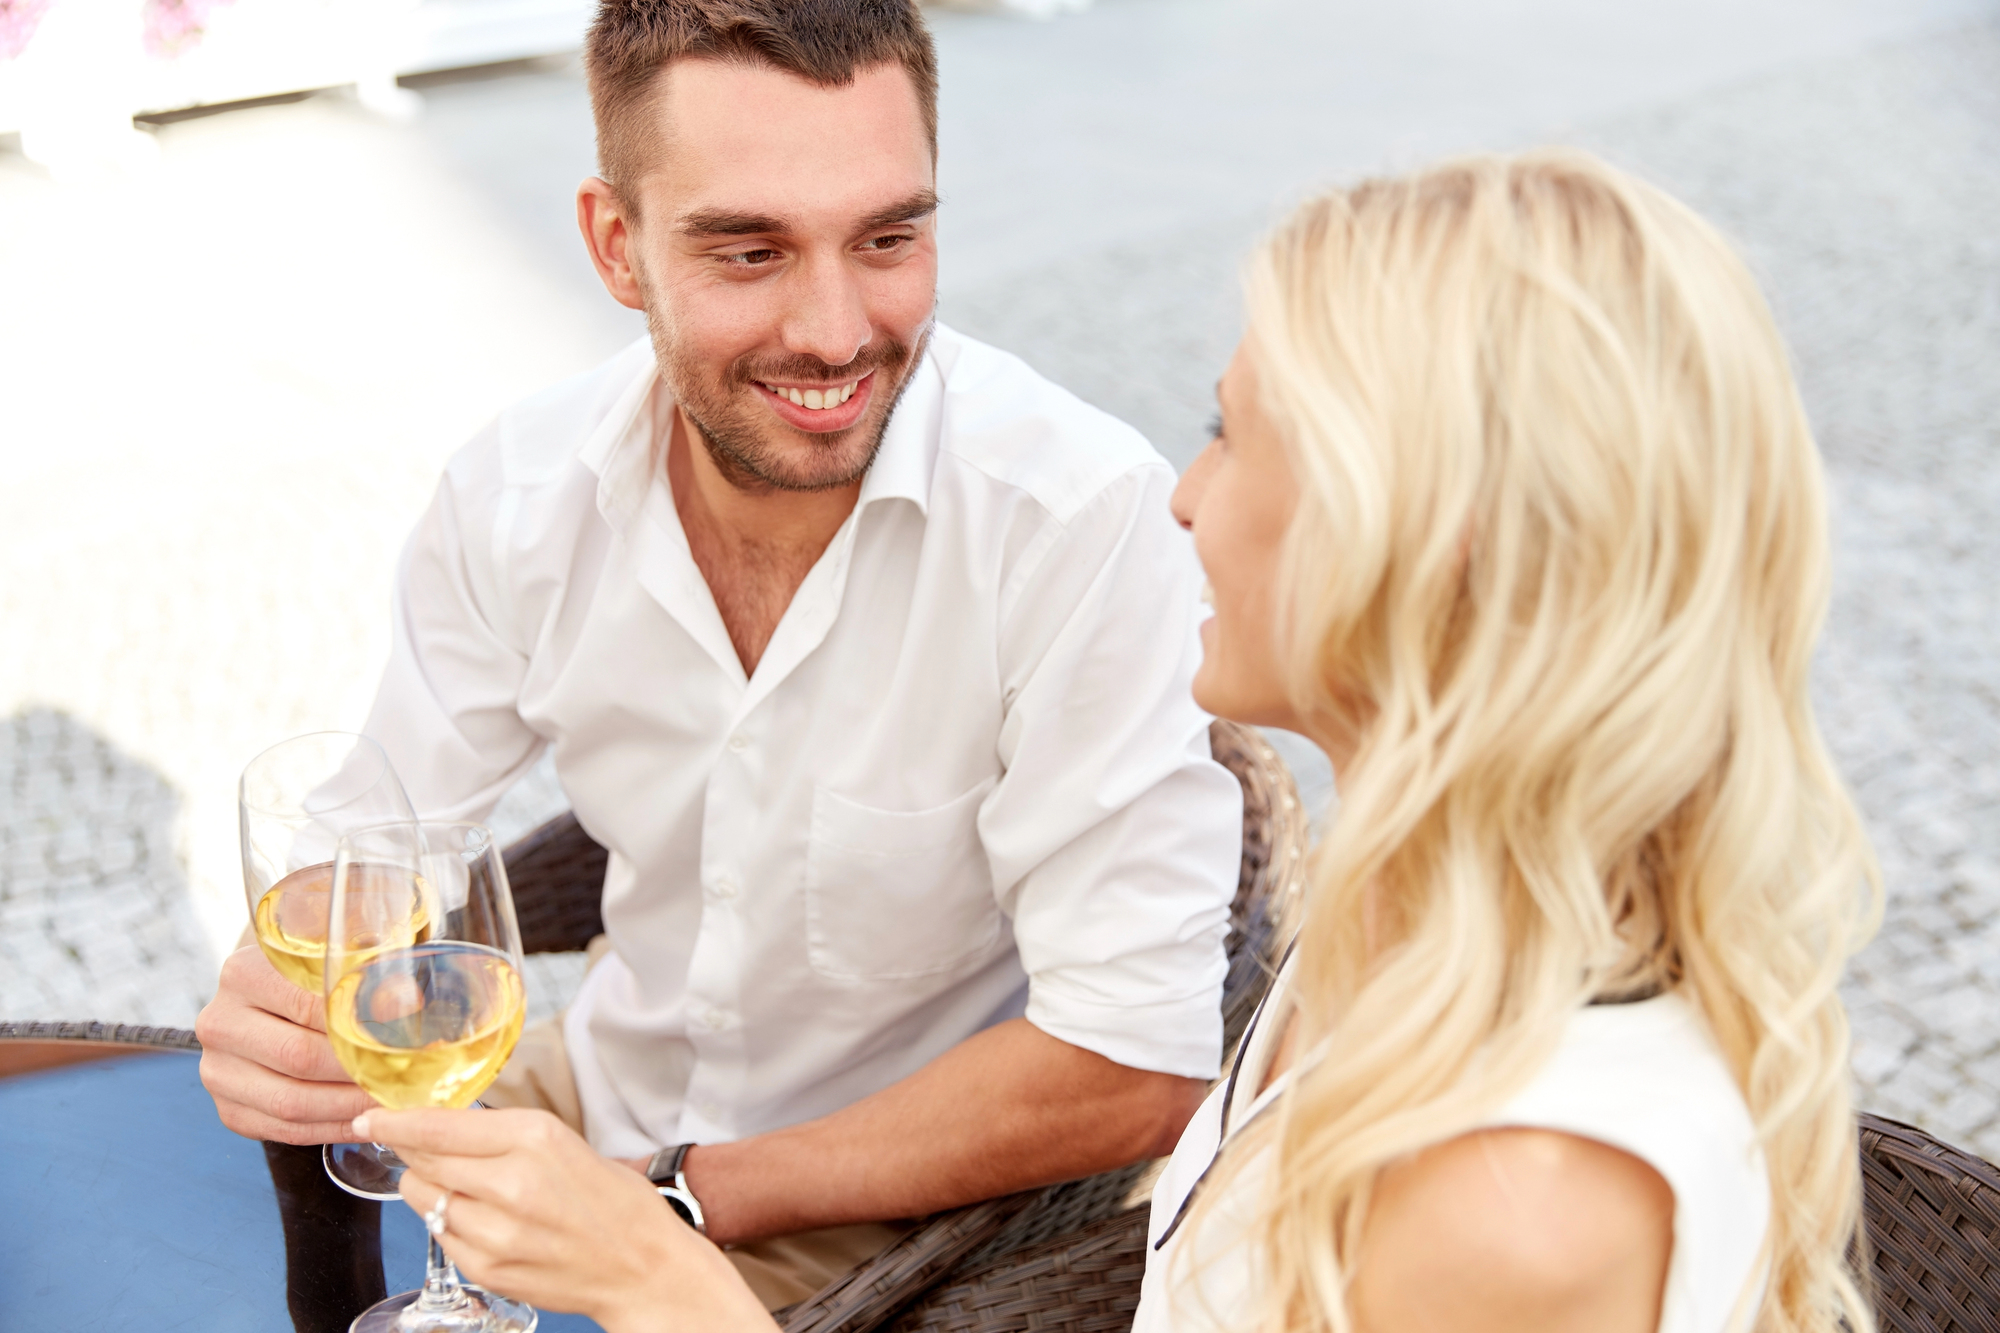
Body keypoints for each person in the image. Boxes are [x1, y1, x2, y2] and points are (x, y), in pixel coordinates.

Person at [354, 150, 1884, 1333]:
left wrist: (659, 1268)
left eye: (1232, 432)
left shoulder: (1513, 1194)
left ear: (1416, 539)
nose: (1182, 496)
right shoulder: (1432, 944)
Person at [193, 0, 1242, 1309]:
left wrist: (675, 1196)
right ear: (614, 244)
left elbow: (1132, 1061)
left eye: (889, 238)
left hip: (874, 1204)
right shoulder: (517, 494)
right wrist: (280, 1000)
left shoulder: (1079, 525)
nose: (834, 328)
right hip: (592, 1092)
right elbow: (365, 856)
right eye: (749, 251)